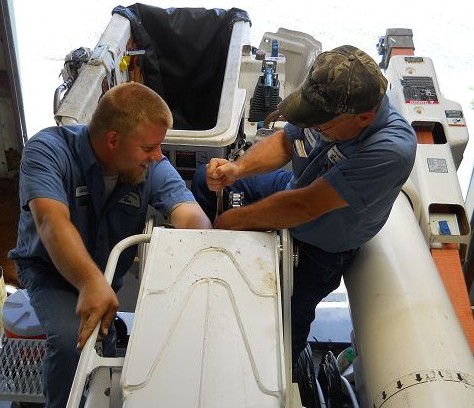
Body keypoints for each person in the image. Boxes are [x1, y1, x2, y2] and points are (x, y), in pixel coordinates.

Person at [192, 45, 417, 364]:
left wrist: (231, 222)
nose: (312, 128)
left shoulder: (390, 150)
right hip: (292, 188)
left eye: (321, 126)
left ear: (364, 117)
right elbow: (286, 140)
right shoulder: (334, 102)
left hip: (320, 246)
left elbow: (304, 207)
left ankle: (279, 370)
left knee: (284, 325)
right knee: (205, 179)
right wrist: (237, 169)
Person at [8, 82, 212, 408]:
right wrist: (90, 282)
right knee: (72, 342)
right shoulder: (47, 150)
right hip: (49, 271)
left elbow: (192, 217)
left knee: (104, 341)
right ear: (113, 139)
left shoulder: (149, 166)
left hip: (106, 275)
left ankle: (108, 349)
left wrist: (200, 258)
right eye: (149, 147)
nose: (158, 156)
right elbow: (51, 222)